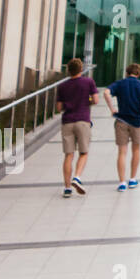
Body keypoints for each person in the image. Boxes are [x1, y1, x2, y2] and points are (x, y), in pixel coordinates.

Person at [103, 63, 140, 192]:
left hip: (122, 120)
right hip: (137, 122)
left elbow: (106, 93)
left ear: (127, 73)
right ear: (138, 74)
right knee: (136, 150)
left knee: (122, 152)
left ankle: (122, 182)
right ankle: (132, 179)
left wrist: (112, 109)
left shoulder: (120, 84)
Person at [55, 58, 97, 197]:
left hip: (67, 122)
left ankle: (67, 188)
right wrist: (87, 100)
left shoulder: (62, 86)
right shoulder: (88, 82)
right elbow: (96, 100)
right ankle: (77, 177)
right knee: (84, 152)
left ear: (68, 70)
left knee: (69, 155)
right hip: (83, 120)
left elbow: (59, 107)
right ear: (81, 69)